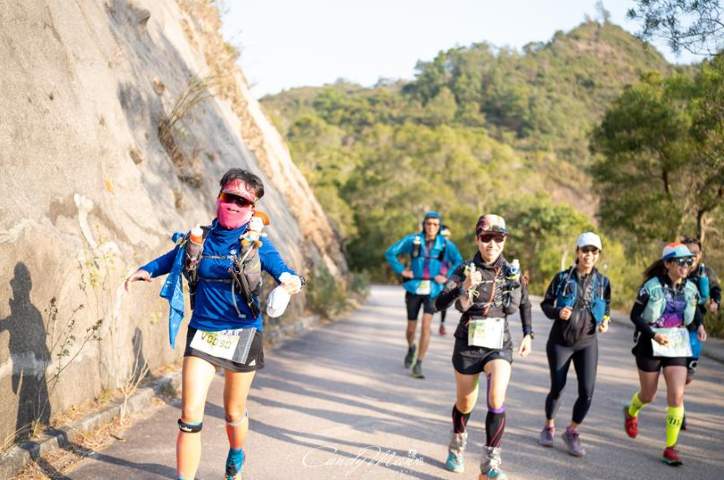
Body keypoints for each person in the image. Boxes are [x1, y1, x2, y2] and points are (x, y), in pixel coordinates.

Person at [124, 169, 304, 480]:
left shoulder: (257, 243)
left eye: (242, 201)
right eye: (229, 197)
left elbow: (283, 271)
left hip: (243, 333)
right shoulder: (200, 237)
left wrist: (289, 283)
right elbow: (171, 258)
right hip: (203, 333)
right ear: (218, 196)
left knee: (233, 412)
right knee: (190, 417)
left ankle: (236, 452)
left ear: (253, 207)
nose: (234, 205)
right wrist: (145, 270)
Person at [435, 214, 533, 479]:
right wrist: (464, 288)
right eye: (487, 237)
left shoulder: (512, 271)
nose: (492, 244)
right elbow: (438, 303)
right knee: (465, 404)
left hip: (498, 344)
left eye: (498, 238)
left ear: (503, 240)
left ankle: (490, 465)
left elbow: (523, 303)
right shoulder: (464, 269)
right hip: (467, 342)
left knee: (496, 399)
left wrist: (528, 334)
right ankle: (456, 447)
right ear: (478, 239)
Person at [622, 242, 705, 466]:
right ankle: (631, 411)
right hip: (650, 343)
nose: (686, 265)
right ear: (668, 263)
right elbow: (635, 315)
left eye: (689, 261)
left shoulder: (691, 288)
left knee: (677, 397)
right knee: (648, 395)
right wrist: (653, 335)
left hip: (677, 344)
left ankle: (670, 448)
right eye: (681, 262)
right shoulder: (652, 286)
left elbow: (696, 311)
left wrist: (700, 326)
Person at [538, 232, 611, 457]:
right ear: (577, 252)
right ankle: (549, 425)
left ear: (598, 255)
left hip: (588, 342)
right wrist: (558, 311)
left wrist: (605, 320)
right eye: (585, 250)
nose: (589, 255)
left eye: (594, 251)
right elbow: (545, 304)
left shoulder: (603, 282)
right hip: (560, 341)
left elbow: (606, 307)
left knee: (587, 392)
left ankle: (571, 431)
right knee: (557, 388)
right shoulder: (562, 278)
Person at [386, 212, 463, 379]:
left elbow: (459, 261)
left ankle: (419, 363)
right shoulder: (413, 240)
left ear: (440, 226)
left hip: (434, 290)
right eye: (429, 224)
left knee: (426, 326)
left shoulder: (445, 245)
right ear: (424, 224)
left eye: (435, 224)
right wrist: (402, 271)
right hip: (414, 288)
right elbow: (390, 253)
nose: (432, 227)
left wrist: (447, 276)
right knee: (411, 327)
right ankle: (411, 347)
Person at [680, 237, 715, 429]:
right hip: (676, 330)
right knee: (677, 372)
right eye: (687, 252)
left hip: (695, 329)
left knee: (688, 376)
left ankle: (677, 396)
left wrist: (715, 301)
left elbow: (715, 290)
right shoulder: (677, 271)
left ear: (699, 255)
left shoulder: (705, 273)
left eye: (694, 253)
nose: (691, 256)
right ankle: (679, 408)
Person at [439, 225, 453, 336]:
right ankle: (427, 323)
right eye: (443, 236)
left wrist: (448, 274)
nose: (445, 238)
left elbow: (457, 262)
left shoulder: (450, 247)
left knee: (444, 301)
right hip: (432, 278)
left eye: (447, 236)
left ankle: (442, 324)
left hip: (445, 277)